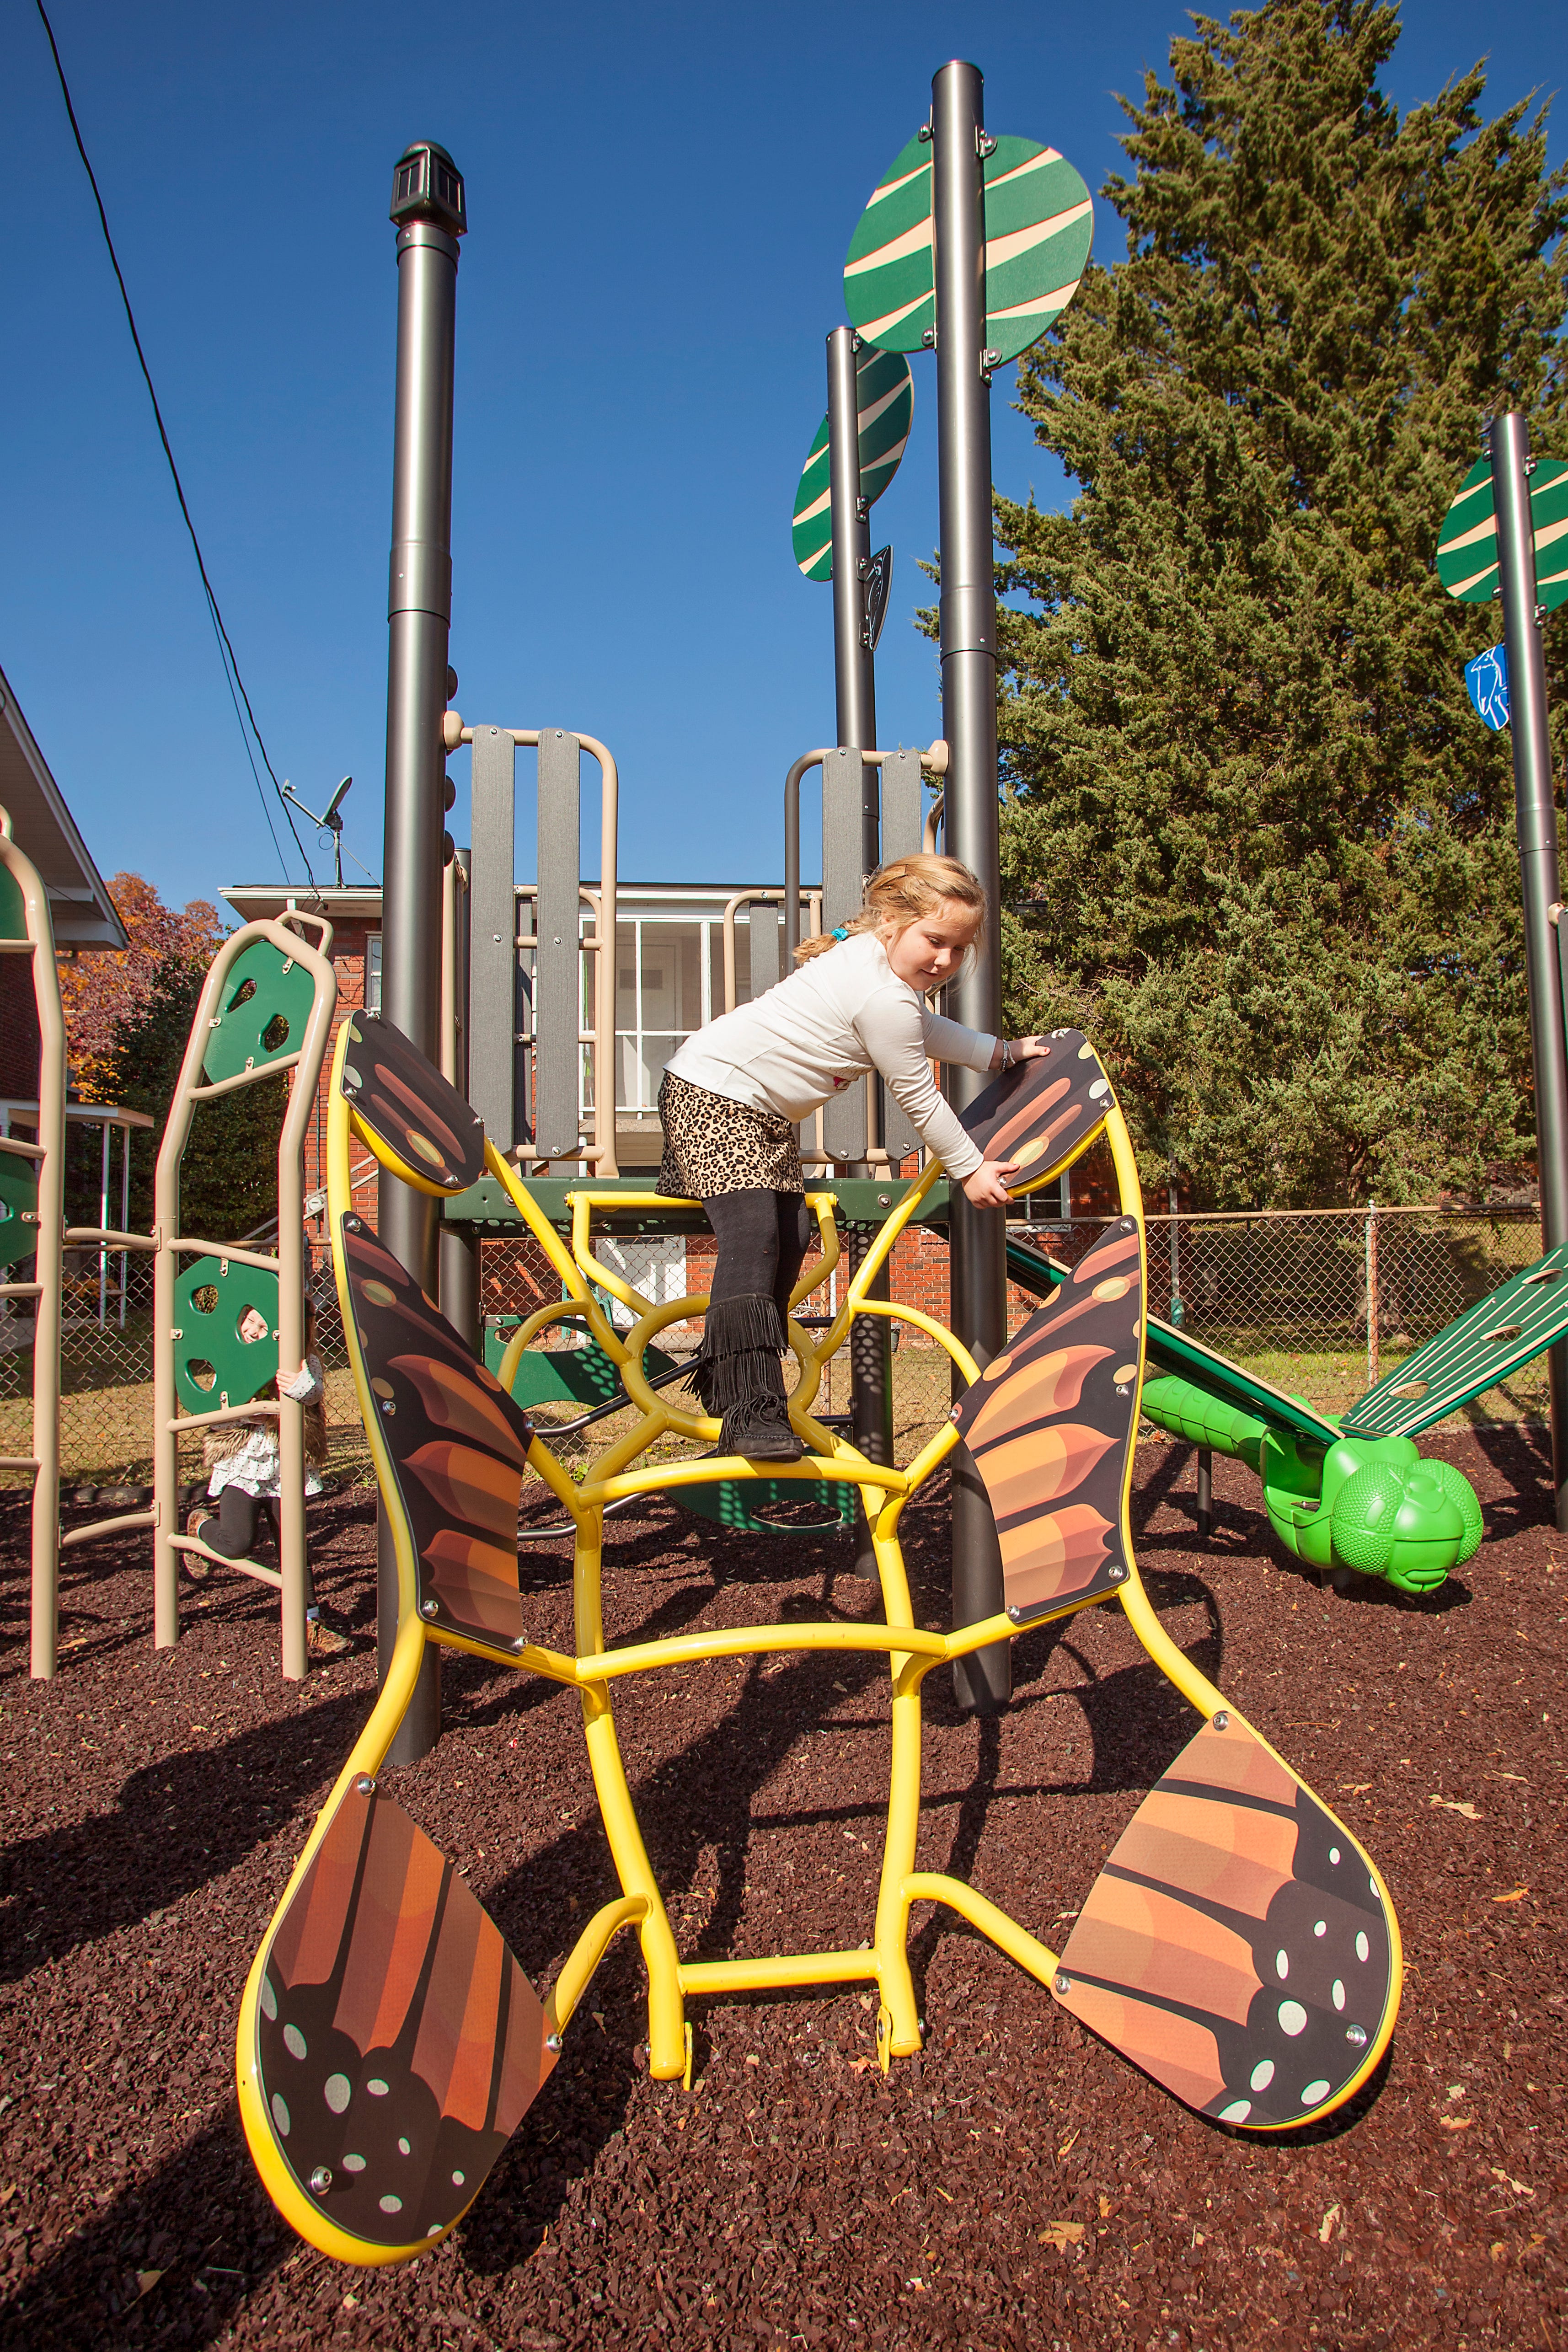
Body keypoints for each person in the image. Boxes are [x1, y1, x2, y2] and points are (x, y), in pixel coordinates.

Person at [657, 852, 1048, 1462]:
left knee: (789, 1233)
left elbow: (925, 1031)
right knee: (756, 1236)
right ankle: (748, 1406)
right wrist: (970, 1169)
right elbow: (919, 1092)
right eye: (935, 940)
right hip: (713, 1095)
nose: (945, 960)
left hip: (758, 1112)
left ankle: (728, 1381)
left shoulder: (879, 969)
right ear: (893, 919)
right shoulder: (879, 994)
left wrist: (1001, 1053)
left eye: (959, 948)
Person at [185, 1297, 349, 1657]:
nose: (258, 1332)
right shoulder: (232, 1362)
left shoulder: (305, 1361)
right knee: (238, 1542)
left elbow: (314, 1393)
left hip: (284, 1465)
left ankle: (309, 1621)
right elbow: (216, 1407)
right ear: (239, 1328)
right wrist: (245, 1414)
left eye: (266, 1327)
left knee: (293, 1543)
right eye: (251, 1325)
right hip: (241, 1463)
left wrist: (298, 1385)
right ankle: (199, 1525)